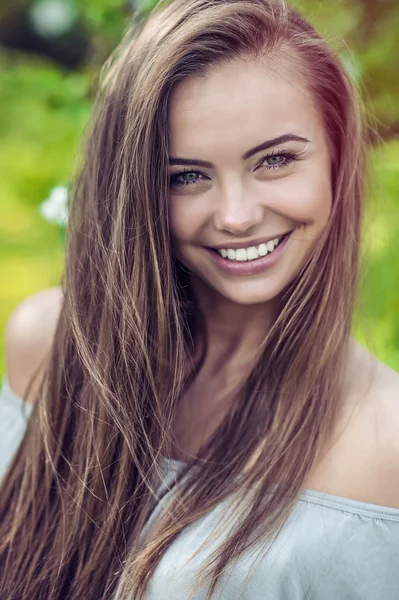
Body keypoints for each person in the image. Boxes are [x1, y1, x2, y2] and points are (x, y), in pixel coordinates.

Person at [1, 0, 399, 598]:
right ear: (135, 188)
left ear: (339, 156)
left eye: (276, 160)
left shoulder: (385, 442)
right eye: (186, 175)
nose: (237, 216)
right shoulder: (52, 342)